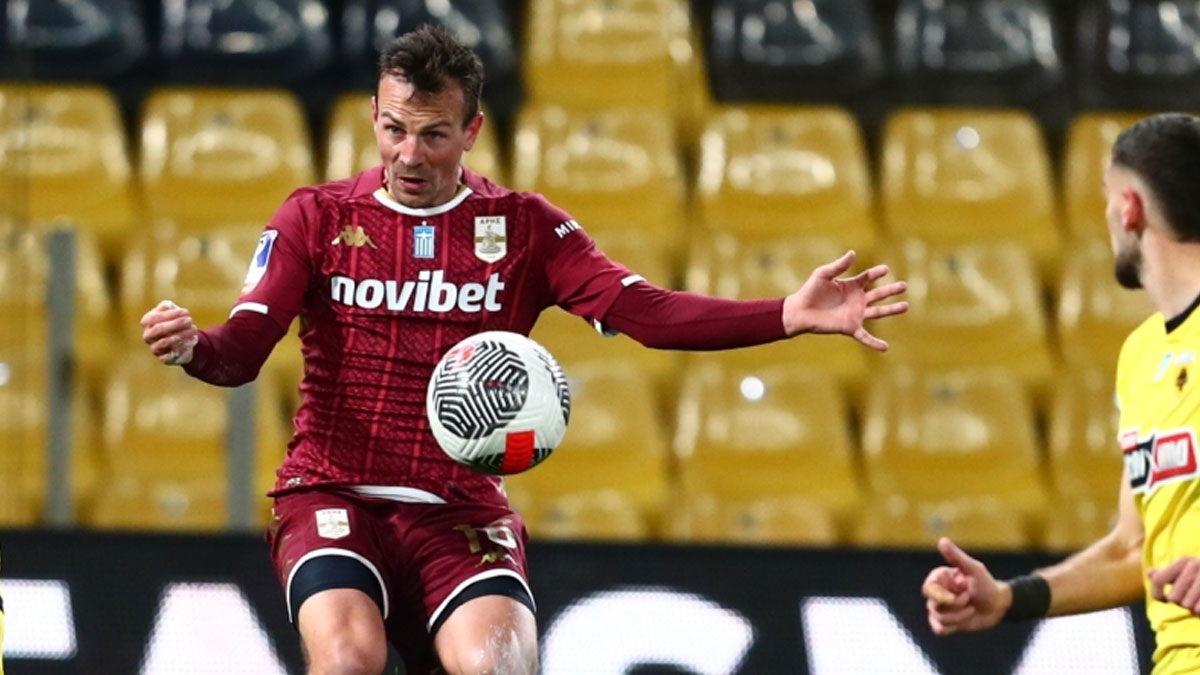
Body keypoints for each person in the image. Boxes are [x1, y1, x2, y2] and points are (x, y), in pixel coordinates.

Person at [140, 24, 909, 675]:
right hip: (335, 492)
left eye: (434, 134)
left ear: (471, 131)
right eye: (395, 129)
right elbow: (242, 351)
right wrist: (194, 347)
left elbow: (647, 313)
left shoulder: (524, 229)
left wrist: (786, 313)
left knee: (497, 665)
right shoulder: (316, 217)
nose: (409, 154)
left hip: (461, 510)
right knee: (348, 658)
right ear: (374, 116)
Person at [921, 113, 1200, 674]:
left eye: (1106, 200)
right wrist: (1008, 598)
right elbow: (1132, 548)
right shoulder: (1142, 355)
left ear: (1130, 208)